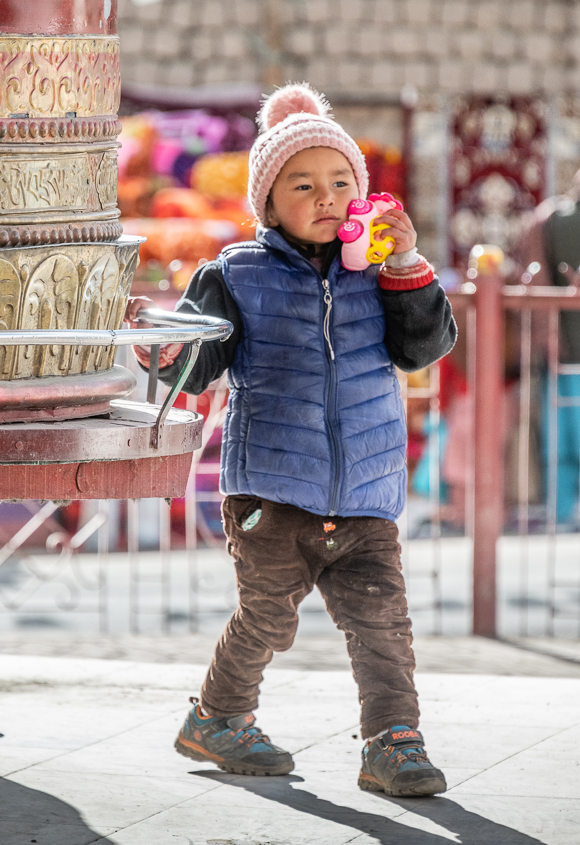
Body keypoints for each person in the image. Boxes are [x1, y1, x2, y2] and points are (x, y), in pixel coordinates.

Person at [126, 83, 456, 797]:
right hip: (271, 495)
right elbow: (197, 360)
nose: (327, 196)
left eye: (342, 181)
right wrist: (159, 348)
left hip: (366, 491)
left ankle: (393, 740)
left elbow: (424, 348)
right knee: (268, 617)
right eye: (303, 184)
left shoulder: (382, 279)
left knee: (382, 626)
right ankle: (218, 715)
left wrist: (406, 270)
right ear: (268, 204)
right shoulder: (234, 274)